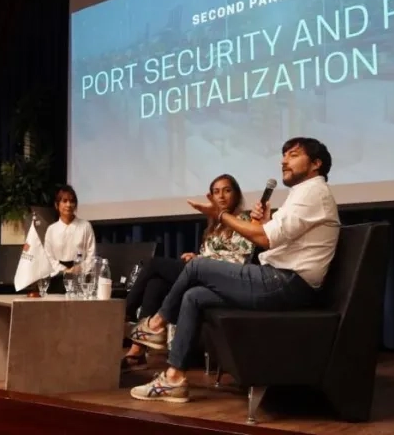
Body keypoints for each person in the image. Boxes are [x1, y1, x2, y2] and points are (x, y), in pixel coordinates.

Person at [128, 137, 340, 403]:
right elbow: (272, 237)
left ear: (316, 164)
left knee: (196, 266)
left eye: (293, 155)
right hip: (280, 279)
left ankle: (156, 324)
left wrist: (219, 214)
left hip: (286, 283)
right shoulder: (303, 193)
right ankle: (174, 378)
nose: (284, 160)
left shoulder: (313, 192)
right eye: (283, 155)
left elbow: (263, 239)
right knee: (194, 296)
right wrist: (265, 222)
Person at [123, 174, 253, 371]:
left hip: (225, 279)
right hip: (201, 273)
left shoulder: (244, 220)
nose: (221, 196)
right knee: (155, 284)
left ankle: (124, 313)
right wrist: (196, 256)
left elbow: (239, 259)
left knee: (154, 264)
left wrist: (201, 261)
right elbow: (212, 253)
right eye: (216, 192)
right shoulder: (214, 225)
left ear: (236, 194)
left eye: (227, 190)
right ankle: (137, 351)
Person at [43, 185, 96, 294]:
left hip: (80, 278)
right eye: (64, 201)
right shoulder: (51, 230)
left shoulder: (85, 226)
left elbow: (92, 254)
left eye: (72, 201)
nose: (68, 205)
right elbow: (48, 257)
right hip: (57, 279)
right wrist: (65, 270)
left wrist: (79, 268)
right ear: (57, 205)